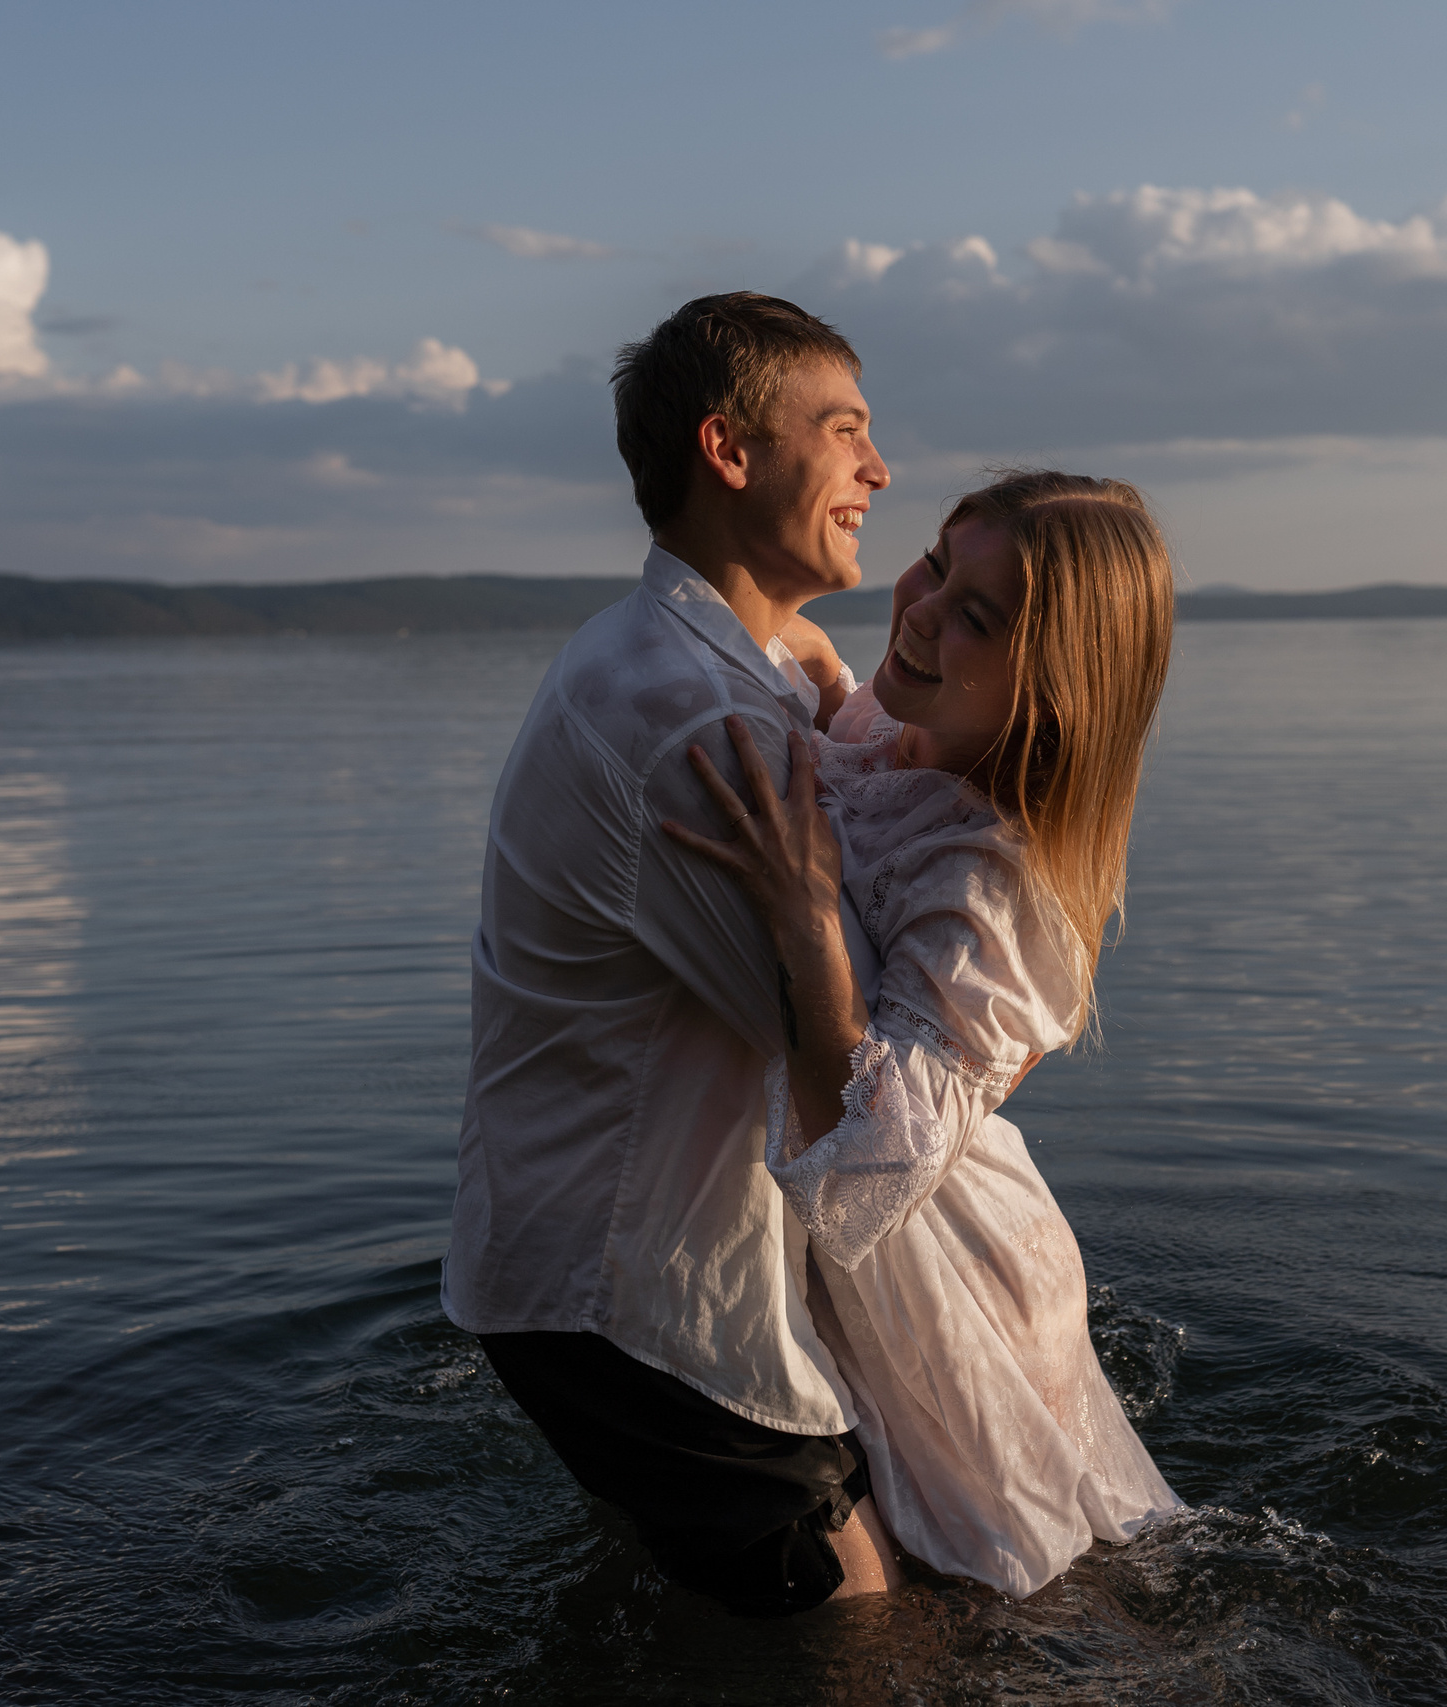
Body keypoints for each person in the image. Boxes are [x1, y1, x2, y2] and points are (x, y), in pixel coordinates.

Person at [440, 292, 902, 1617]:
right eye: (847, 431)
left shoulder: (693, 663)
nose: (879, 470)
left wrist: (828, 679)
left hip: (564, 1263)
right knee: (867, 1616)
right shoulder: (694, 724)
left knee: (678, 1603)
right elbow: (848, 1086)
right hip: (631, 1300)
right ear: (730, 449)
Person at [663, 470, 1185, 1598]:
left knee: (1008, 1605)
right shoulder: (894, 724)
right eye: (939, 564)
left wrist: (804, 917)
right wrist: (807, 669)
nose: (923, 609)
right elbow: (857, 772)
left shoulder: (998, 882)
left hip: (952, 1265)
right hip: (895, 1249)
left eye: (978, 617)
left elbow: (867, 1173)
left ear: (1053, 686)